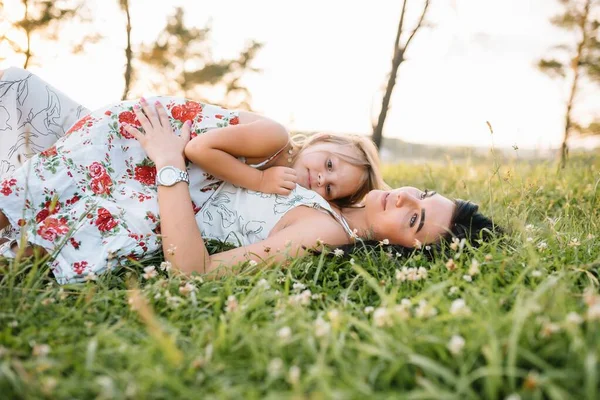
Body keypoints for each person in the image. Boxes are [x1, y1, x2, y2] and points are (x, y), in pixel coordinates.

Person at [0, 68, 500, 283]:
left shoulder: (323, 234)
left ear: (401, 248)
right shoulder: (339, 184)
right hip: (131, 149)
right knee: (17, 87)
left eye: (415, 221)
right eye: (424, 196)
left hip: (147, 183)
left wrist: (169, 161)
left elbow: (193, 271)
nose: (405, 201)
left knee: (19, 208)